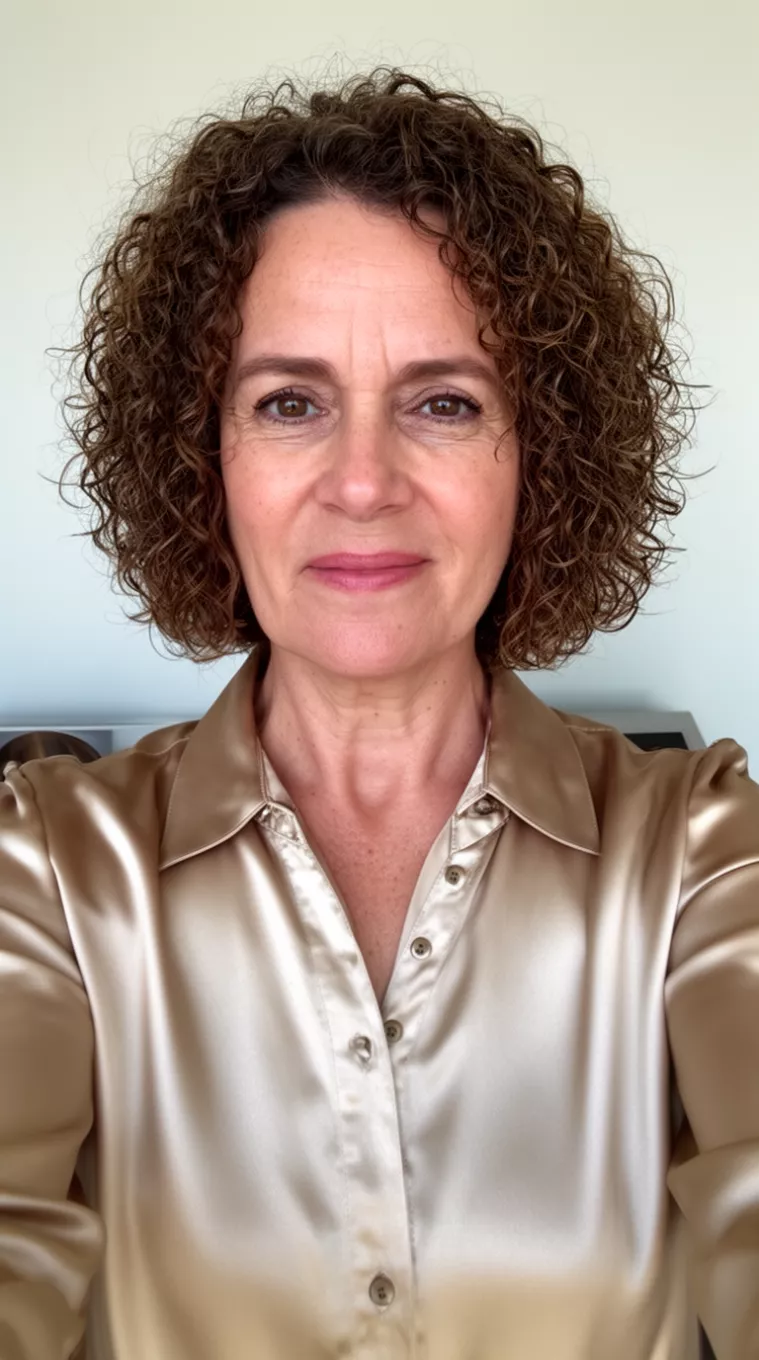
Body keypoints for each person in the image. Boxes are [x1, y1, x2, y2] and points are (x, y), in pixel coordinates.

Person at [0, 65, 756, 1360]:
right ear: (205, 454)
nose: (362, 481)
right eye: (288, 402)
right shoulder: (55, 864)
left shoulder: (694, 847)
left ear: (542, 451)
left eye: (443, 403)